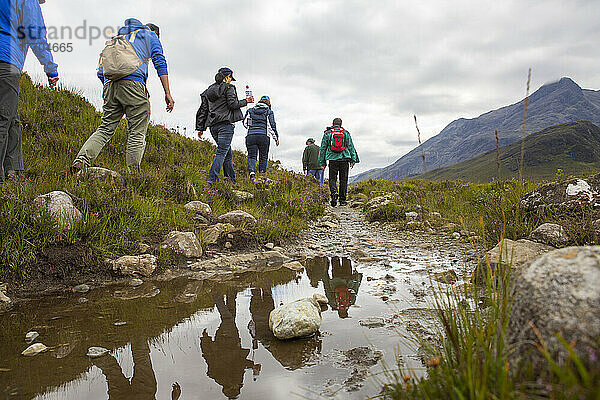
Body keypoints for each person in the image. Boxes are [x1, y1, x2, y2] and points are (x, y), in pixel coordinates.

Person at [71, 18, 174, 173]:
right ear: (156, 33)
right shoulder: (149, 35)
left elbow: (101, 71)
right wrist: (167, 93)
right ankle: (133, 174)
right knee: (137, 131)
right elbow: (160, 62)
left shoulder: (116, 40)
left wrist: (112, 89)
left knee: (105, 128)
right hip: (134, 84)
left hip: (110, 86)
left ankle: (82, 160)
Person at [0, 0, 59, 184]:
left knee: (12, 118)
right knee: (3, 117)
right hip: (7, 62)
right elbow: (36, 36)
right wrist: (51, 69)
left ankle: (13, 173)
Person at [196, 67, 254, 184]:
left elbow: (203, 109)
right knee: (222, 152)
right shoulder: (229, 88)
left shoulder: (208, 91)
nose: (231, 81)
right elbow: (233, 104)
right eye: (231, 78)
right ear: (227, 77)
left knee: (227, 153)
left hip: (213, 126)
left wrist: (201, 128)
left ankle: (231, 180)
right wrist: (246, 101)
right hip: (226, 125)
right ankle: (212, 179)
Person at [318, 118, 359, 206]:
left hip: (333, 160)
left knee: (332, 179)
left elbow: (322, 149)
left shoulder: (327, 133)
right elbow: (351, 147)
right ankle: (342, 200)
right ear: (341, 124)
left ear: (332, 123)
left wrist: (322, 163)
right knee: (343, 180)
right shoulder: (346, 133)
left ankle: (333, 193)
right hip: (345, 159)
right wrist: (353, 160)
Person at [243, 95, 279, 178]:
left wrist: (251, 127)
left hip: (251, 135)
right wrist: (276, 138)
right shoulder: (269, 112)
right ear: (269, 103)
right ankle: (262, 175)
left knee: (252, 156)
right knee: (263, 156)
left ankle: (252, 172)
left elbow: (245, 123)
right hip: (263, 136)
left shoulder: (250, 110)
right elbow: (271, 125)